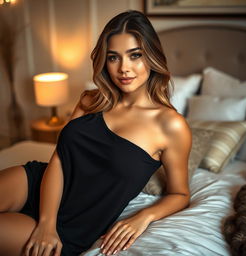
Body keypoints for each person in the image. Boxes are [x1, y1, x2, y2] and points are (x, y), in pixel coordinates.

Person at [0, 10, 192, 256]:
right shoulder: (91, 100)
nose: (124, 68)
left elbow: (180, 193)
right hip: (37, 183)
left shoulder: (171, 125)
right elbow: (60, 158)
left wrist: (143, 217)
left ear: (152, 57)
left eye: (135, 56)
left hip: (72, 225)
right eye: (113, 58)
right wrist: (46, 223)